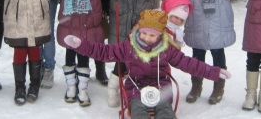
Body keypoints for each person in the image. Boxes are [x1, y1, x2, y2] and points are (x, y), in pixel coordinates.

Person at [63, 9, 232, 119]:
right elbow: (104, 52)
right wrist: (81, 45)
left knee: (165, 112)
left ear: (160, 35)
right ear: (139, 30)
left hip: (161, 86)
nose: (146, 38)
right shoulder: (128, 46)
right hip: (136, 86)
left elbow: (189, 64)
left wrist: (214, 72)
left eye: (152, 36)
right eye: (143, 33)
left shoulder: (167, 49)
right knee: (138, 112)